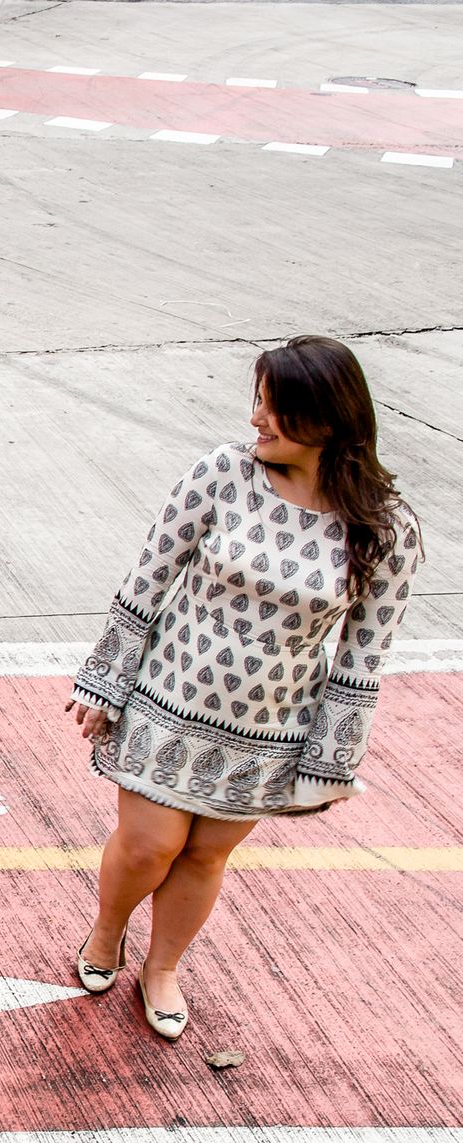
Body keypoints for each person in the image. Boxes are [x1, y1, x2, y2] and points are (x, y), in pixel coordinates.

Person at [66, 337, 420, 1039]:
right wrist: (104, 682)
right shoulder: (221, 474)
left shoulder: (384, 527)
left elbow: (362, 654)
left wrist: (331, 760)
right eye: (257, 401)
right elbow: (147, 581)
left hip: (268, 729)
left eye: (278, 408)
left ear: (329, 418)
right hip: (169, 702)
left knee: (204, 854)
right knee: (149, 846)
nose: (259, 419)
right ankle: (107, 933)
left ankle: (162, 968)